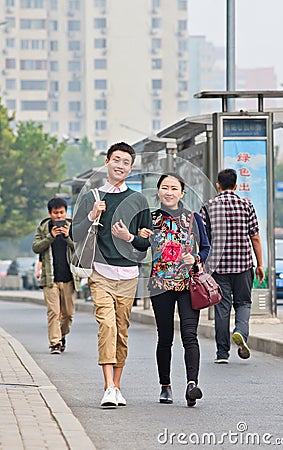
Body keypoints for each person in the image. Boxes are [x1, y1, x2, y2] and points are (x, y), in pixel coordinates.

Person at [71, 142, 152, 408]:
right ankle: (108, 387)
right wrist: (93, 215)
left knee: (122, 330)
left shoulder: (139, 200)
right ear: (107, 162)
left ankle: (118, 386)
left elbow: (144, 243)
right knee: (106, 326)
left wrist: (128, 237)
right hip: (100, 273)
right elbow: (75, 234)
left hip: (128, 276)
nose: (120, 165)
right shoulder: (91, 197)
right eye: (116, 159)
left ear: (131, 168)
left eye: (126, 162)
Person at [139, 173, 210, 407]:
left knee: (190, 335)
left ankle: (192, 384)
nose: (169, 192)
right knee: (165, 337)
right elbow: (138, 249)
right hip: (161, 286)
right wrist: (138, 237)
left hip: (188, 285)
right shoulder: (149, 218)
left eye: (174, 188)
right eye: (164, 187)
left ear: (182, 193)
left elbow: (206, 247)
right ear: (158, 191)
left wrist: (196, 258)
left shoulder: (193, 218)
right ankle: (165, 385)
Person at [201, 168, 265, 364]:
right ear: (236, 186)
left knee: (222, 308)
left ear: (218, 185)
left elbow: (204, 238)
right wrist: (260, 264)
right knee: (243, 303)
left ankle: (222, 354)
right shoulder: (246, 205)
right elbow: (254, 236)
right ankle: (240, 333)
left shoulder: (209, 206)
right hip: (243, 265)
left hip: (219, 267)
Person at [32, 197, 79, 354]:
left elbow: (81, 248)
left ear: (66, 212)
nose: (59, 216)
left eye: (61, 213)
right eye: (55, 213)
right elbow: (36, 248)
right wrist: (50, 236)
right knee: (53, 312)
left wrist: (67, 236)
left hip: (69, 279)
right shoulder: (43, 228)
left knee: (68, 315)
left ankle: (61, 335)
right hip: (50, 279)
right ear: (50, 213)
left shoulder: (72, 227)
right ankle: (55, 343)